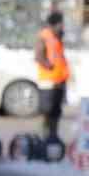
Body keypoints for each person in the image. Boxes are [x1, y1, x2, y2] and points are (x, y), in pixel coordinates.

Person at [34, 10, 69, 141]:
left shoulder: (56, 37)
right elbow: (38, 56)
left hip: (58, 80)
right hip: (48, 81)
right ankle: (44, 137)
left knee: (56, 111)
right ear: (55, 23)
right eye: (61, 23)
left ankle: (53, 137)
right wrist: (49, 66)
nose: (63, 26)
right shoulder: (45, 36)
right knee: (47, 111)